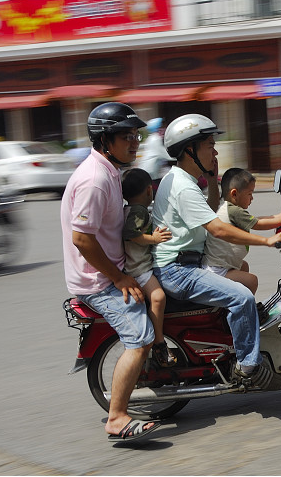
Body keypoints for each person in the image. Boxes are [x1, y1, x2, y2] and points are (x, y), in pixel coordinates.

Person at [151, 114, 281, 391]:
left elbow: (210, 212)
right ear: (189, 150)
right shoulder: (183, 187)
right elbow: (218, 228)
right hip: (178, 270)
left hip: (183, 264)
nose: (215, 150)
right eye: (209, 144)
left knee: (242, 272)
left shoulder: (183, 181)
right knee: (242, 296)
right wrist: (267, 241)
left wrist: (209, 178)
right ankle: (249, 368)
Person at [60, 102, 160, 442]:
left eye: (136, 136)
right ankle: (116, 417)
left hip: (111, 269)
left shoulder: (107, 171)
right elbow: (81, 240)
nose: (134, 142)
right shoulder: (94, 179)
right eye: (126, 136)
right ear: (105, 140)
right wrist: (118, 278)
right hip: (99, 281)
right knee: (141, 338)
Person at [203, 167, 281, 295]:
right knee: (251, 280)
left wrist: (279, 217)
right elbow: (257, 224)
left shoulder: (231, 209)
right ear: (234, 194)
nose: (252, 198)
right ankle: (245, 309)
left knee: (244, 266)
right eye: (249, 194)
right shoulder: (233, 211)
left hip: (220, 265)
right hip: (217, 270)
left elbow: (255, 220)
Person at [121, 167, 176, 367]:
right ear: (149, 191)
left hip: (137, 266)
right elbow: (130, 233)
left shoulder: (130, 209)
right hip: (139, 269)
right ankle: (159, 341)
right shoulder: (138, 211)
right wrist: (153, 238)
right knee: (158, 297)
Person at [136, 117, 172, 184]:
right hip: (149, 174)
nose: (165, 128)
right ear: (157, 129)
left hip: (152, 173)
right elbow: (168, 155)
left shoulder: (152, 138)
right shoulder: (155, 139)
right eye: (162, 126)